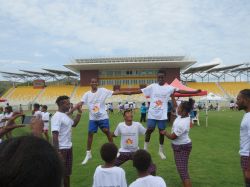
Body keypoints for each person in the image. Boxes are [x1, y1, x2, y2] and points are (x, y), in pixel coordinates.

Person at [128, 70, 201, 159]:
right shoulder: (152, 87)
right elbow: (140, 91)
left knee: (161, 132)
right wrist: (130, 92)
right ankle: (145, 149)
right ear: (157, 78)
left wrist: (194, 91)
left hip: (162, 115)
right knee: (149, 130)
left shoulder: (169, 88)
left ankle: (161, 151)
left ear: (164, 77)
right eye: (159, 77)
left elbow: (181, 91)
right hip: (152, 114)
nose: (160, 79)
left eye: (162, 77)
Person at [80, 78, 134, 165]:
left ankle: (115, 151)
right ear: (90, 83)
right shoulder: (87, 94)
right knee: (90, 133)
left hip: (103, 117)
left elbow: (115, 93)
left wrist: (126, 92)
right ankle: (88, 154)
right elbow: (80, 103)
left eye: (95, 82)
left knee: (106, 132)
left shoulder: (103, 91)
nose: (94, 83)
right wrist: (73, 109)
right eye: (92, 82)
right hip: (93, 118)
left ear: (97, 83)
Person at [161, 97, 193, 187]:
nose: (177, 108)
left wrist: (165, 132)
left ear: (183, 111)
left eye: (179, 108)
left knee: (183, 173)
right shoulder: (183, 115)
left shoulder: (183, 123)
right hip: (181, 146)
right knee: (183, 170)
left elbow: (173, 137)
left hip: (181, 148)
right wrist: (172, 96)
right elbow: (175, 105)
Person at [112, 109, 156, 175]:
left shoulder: (137, 125)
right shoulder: (120, 125)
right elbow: (115, 134)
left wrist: (150, 129)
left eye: (131, 113)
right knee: (110, 165)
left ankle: (152, 179)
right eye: (128, 113)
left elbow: (146, 132)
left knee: (149, 164)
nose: (130, 114)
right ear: (124, 117)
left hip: (135, 152)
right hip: (123, 152)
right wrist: (107, 132)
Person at [51, 95, 82, 187]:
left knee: (67, 173)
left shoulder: (64, 115)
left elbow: (74, 124)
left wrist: (79, 113)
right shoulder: (56, 117)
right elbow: (54, 135)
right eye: (68, 104)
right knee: (61, 174)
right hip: (62, 149)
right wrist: (57, 151)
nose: (70, 106)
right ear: (61, 104)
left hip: (68, 147)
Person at [236, 89, 250, 187]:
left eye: (238, 99)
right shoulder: (247, 115)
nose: (236, 102)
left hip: (247, 156)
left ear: (246, 100)